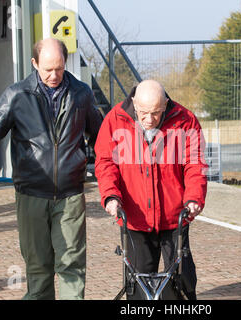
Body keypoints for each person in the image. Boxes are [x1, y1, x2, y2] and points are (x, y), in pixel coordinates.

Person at [0, 38, 102, 300]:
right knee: (38, 270)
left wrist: (109, 175)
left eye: (60, 68)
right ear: (34, 64)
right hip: (31, 195)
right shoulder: (16, 95)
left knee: (71, 267)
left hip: (70, 196)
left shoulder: (81, 94)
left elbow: (101, 137)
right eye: (48, 69)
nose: (54, 76)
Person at [95, 79, 207, 300]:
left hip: (174, 216)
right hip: (136, 218)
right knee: (138, 287)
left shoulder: (185, 121)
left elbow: (195, 163)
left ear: (166, 104)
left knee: (180, 282)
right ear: (134, 103)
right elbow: (105, 162)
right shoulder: (115, 120)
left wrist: (194, 198)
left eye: (155, 113)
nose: (149, 119)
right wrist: (110, 196)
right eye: (143, 112)